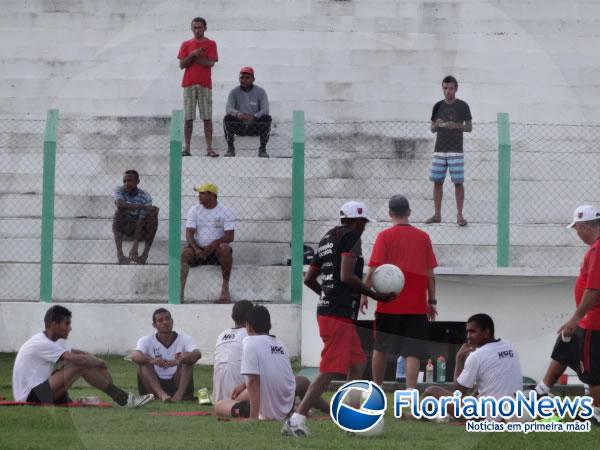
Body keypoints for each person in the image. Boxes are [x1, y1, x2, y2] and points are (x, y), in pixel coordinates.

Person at [282, 201, 394, 437]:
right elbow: (345, 275)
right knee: (330, 369)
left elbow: (310, 279)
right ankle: (297, 419)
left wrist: (327, 294)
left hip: (327, 310)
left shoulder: (326, 238)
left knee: (358, 363)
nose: (364, 228)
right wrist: (374, 294)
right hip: (338, 313)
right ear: (357, 221)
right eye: (363, 223)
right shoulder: (352, 237)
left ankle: (350, 421)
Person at [531, 205, 600, 426]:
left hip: (594, 320)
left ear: (586, 226)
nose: (577, 233)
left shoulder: (598, 249)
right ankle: (541, 392)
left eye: (578, 229)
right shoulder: (595, 248)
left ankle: (596, 412)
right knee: (564, 343)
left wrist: (576, 318)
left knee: (593, 370)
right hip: (588, 317)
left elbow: (594, 289)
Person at [360, 195, 438, 389]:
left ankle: (377, 388)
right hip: (416, 306)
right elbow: (430, 273)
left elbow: (372, 270)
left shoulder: (384, 237)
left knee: (381, 348)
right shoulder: (423, 237)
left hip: (388, 304)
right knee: (412, 352)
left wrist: (364, 293)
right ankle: (410, 393)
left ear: (390, 214)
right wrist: (432, 301)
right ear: (409, 212)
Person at [12, 305, 154, 407]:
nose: (70, 328)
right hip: (30, 396)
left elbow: (79, 353)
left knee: (77, 364)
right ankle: (125, 400)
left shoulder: (55, 341)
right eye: (66, 324)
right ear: (54, 325)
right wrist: (99, 363)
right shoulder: (42, 343)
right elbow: (78, 360)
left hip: (41, 392)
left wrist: (99, 363)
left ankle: (76, 400)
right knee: (77, 365)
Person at [214, 305, 325, 420]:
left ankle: (251, 411)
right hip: (286, 405)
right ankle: (301, 409)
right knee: (301, 381)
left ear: (248, 327)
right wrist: (244, 385)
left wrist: (253, 417)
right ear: (270, 326)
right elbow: (276, 375)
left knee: (219, 405)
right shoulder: (280, 344)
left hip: (267, 410)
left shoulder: (249, 341)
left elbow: (253, 381)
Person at [424, 314, 523, 420]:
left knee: (432, 391)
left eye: (472, 332)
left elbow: (458, 392)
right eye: (467, 332)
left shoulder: (477, 356)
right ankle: (429, 416)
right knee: (474, 395)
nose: (468, 336)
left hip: (487, 417)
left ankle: (421, 417)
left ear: (486, 333)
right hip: (514, 412)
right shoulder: (509, 345)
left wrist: (459, 358)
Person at [427, 75, 472, 227]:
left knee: (458, 183)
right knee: (437, 182)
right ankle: (437, 215)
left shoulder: (463, 106)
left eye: (451, 88)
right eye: (445, 88)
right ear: (442, 88)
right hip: (439, 150)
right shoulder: (437, 106)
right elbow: (432, 129)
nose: (448, 91)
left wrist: (456, 125)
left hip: (456, 151)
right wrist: (437, 125)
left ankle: (459, 216)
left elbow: (469, 127)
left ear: (456, 89)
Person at [131, 308, 201, 402]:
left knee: (187, 360)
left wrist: (178, 361)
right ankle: (162, 395)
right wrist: (151, 360)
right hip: (154, 383)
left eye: (167, 319)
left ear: (172, 321)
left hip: (177, 381)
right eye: (160, 320)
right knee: (143, 363)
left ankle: (178, 396)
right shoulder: (145, 340)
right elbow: (135, 355)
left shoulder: (185, 339)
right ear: (154, 325)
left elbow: (197, 354)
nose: (165, 322)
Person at [181, 182, 235, 303]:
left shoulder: (226, 211)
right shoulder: (194, 210)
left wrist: (214, 243)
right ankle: (179, 293)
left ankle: (225, 291)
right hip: (198, 249)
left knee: (225, 249)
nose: (199, 196)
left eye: (202, 193)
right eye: (199, 193)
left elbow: (230, 236)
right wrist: (196, 249)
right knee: (185, 254)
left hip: (216, 251)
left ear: (212, 195)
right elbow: (189, 234)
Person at [177, 17, 219, 157]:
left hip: (204, 84)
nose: (197, 30)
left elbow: (210, 63)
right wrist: (194, 54)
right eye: (194, 27)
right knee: (188, 118)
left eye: (199, 27)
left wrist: (192, 59)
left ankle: (209, 148)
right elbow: (182, 64)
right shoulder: (186, 44)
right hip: (189, 84)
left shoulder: (211, 44)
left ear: (205, 28)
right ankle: (187, 148)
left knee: (207, 118)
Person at [223, 67, 272, 158]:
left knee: (267, 118)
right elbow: (229, 108)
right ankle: (230, 148)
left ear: (253, 79)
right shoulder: (234, 92)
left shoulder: (260, 92)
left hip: (254, 125)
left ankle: (262, 149)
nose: (244, 80)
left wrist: (254, 116)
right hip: (240, 125)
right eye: (242, 78)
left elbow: (265, 109)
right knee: (227, 118)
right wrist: (238, 114)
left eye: (247, 78)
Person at [112, 169, 159, 264]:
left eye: (130, 181)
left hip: (141, 230)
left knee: (152, 215)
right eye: (124, 181)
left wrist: (135, 245)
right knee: (119, 212)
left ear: (137, 182)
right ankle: (120, 255)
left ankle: (144, 255)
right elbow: (119, 204)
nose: (126, 183)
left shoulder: (145, 196)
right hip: (126, 228)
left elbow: (140, 221)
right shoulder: (119, 190)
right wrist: (143, 207)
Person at [212, 300, 254, 402]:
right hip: (239, 398)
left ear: (232, 317)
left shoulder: (221, 335)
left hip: (218, 400)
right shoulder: (250, 336)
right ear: (252, 317)